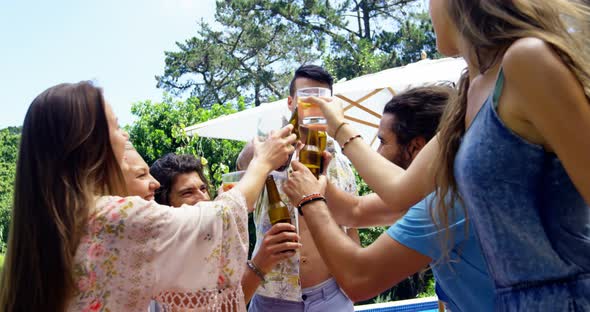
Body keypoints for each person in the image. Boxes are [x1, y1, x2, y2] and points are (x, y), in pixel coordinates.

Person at [289, 0, 590, 310]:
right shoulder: (469, 92)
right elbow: (399, 192)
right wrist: (322, 160)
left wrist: (314, 194)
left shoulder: (526, 61)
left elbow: (360, 275)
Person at [0, 81, 296, 311]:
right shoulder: (109, 219)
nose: (125, 136)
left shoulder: (48, 226)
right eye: (116, 126)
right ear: (88, 143)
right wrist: (261, 164)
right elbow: (216, 220)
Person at [288, 84, 494, 312]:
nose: (376, 153)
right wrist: (316, 176)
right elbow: (354, 211)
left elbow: (359, 279)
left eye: (383, 142)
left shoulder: (444, 202)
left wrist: (310, 201)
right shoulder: (433, 191)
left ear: (416, 147)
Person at [238, 64, 359, 312]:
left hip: (331, 293)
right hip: (273, 294)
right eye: (306, 97)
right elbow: (241, 167)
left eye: (321, 98)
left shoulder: (342, 160)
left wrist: (351, 284)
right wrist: (263, 149)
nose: (314, 105)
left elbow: (351, 227)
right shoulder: (270, 150)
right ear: (291, 102)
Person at [149, 153, 302, 303]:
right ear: (164, 204)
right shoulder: (167, 256)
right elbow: (220, 308)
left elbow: (229, 298)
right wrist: (260, 264)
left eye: (203, 189)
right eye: (187, 193)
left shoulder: (207, 240)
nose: (204, 198)